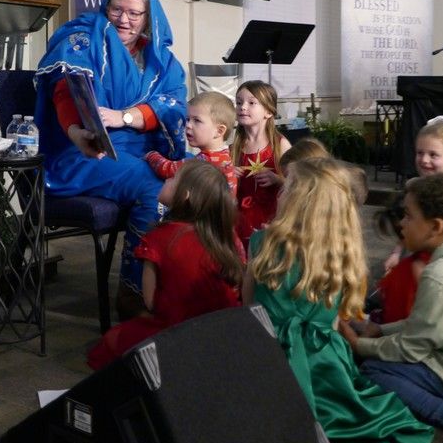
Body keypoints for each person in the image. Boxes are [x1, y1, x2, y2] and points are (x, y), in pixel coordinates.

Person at [243, 158, 434, 443]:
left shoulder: (261, 243)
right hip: (325, 363)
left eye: (287, 188)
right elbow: (334, 321)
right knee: (354, 403)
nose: (280, 193)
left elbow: (249, 308)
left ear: (298, 202)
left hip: (270, 359)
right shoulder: (342, 254)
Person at [35, 0, 187, 319]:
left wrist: (126, 116)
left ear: (148, 18)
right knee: (155, 186)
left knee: (199, 173)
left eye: (134, 13)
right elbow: (66, 91)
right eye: (117, 9)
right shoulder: (82, 39)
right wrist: (77, 132)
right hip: (85, 152)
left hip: (140, 147)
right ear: (106, 7)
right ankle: (135, 294)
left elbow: (174, 105)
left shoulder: (160, 59)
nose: (124, 19)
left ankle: (185, 283)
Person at [340, 173, 443, 443]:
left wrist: (360, 345)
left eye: (408, 215)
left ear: (435, 227)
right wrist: (382, 330)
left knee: (372, 372)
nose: (402, 223)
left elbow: (412, 348)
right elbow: (425, 323)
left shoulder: (440, 274)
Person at [87, 160, 243, 369]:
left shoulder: (158, 238)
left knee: (112, 341)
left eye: (173, 178)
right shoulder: (227, 236)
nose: (166, 179)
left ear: (185, 195)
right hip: (226, 331)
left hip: (178, 331)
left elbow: (150, 301)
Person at [377, 118, 443, 323]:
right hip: (417, 255)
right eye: (419, 153)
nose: (424, 160)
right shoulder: (414, 186)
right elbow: (406, 225)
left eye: (433, 155)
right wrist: (396, 253)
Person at [232, 80, 291, 251]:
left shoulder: (280, 145)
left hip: (271, 221)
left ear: (268, 112)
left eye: (251, 103)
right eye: (239, 102)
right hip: (240, 222)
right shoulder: (233, 148)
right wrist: (227, 175)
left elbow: (299, 184)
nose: (243, 107)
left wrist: (277, 179)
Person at [145, 91, 237, 195]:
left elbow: (168, 169)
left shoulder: (205, 161)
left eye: (197, 120)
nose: (188, 125)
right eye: (188, 119)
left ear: (219, 131)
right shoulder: (225, 156)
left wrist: (151, 155)